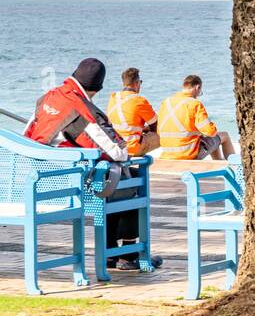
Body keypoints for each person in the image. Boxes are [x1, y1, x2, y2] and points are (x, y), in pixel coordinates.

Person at [24, 58, 160, 270]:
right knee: (132, 179)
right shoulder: (83, 109)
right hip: (71, 188)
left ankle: (112, 254)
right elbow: (119, 151)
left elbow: (27, 137)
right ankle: (127, 255)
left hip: (38, 182)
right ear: (97, 89)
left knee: (114, 178)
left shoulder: (47, 98)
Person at [156, 75, 235, 160]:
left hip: (167, 154)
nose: (198, 95)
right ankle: (236, 167)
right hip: (188, 154)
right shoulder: (194, 104)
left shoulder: (166, 102)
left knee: (210, 139)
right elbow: (211, 132)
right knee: (224, 136)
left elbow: (159, 131)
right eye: (200, 92)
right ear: (197, 87)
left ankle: (219, 162)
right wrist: (210, 127)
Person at [106, 67, 159, 156]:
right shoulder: (139, 100)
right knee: (164, 133)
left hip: (115, 146)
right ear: (137, 83)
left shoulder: (113, 97)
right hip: (131, 148)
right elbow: (156, 126)